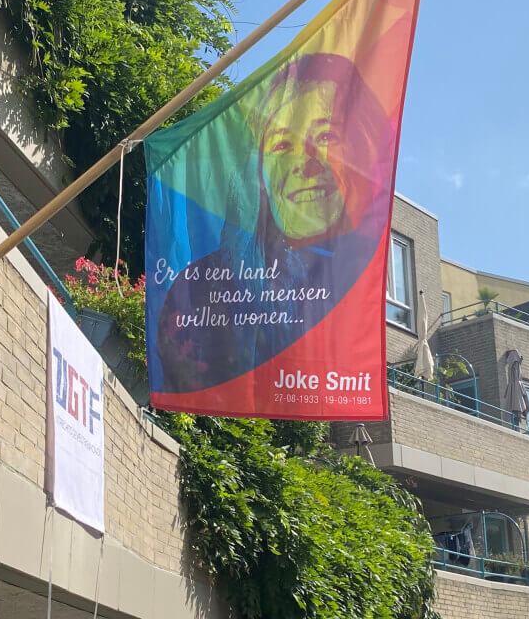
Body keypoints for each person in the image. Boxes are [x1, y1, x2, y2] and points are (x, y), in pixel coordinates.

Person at [151, 52, 393, 394]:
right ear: (259, 173)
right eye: (281, 145)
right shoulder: (200, 291)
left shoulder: (361, 284)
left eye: (325, 138)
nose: (305, 164)